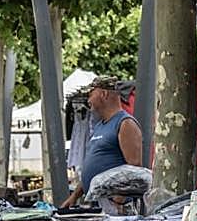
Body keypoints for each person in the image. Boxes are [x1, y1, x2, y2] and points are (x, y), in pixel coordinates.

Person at [59, 75, 143, 208]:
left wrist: (119, 199)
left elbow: (134, 167)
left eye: (91, 94)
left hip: (115, 204)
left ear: (104, 94)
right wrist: (74, 197)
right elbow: (93, 166)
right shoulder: (100, 126)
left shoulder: (125, 123)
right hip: (99, 201)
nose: (88, 100)